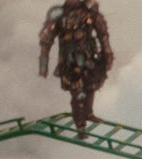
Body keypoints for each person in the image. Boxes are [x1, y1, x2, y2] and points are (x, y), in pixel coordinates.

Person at [39, 0, 113, 139]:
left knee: (90, 86)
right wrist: (43, 64)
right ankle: (80, 126)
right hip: (69, 61)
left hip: (89, 58)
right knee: (77, 92)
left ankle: (88, 113)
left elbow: (103, 34)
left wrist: (107, 52)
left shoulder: (90, 12)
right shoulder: (59, 14)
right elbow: (46, 40)